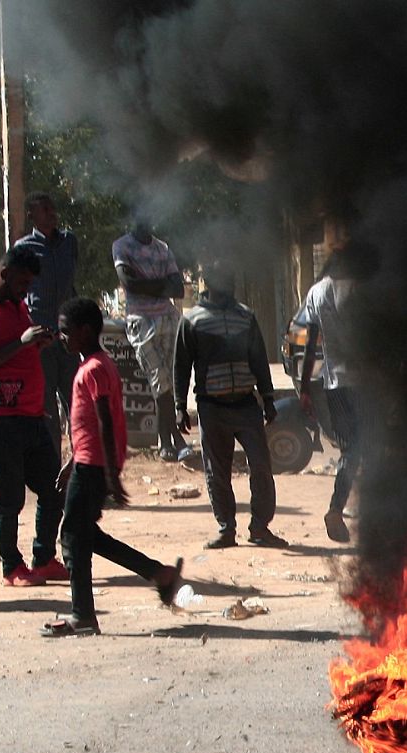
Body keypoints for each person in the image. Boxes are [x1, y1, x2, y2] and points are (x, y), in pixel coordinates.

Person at [41, 298, 183, 637]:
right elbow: (89, 424)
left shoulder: (93, 368)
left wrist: (109, 475)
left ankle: (83, 615)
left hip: (95, 465)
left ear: (85, 331)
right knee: (88, 536)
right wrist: (72, 462)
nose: (62, 337)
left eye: (66, 331)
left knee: (72, 537)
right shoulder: (95, 364)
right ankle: (159, 574)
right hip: (88, 462)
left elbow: (105, 422)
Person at [0, 246, 66, 587]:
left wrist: (37, 343)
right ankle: (11, 567)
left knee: (54, 489)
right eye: (22, 281)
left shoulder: (19, 307)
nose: (27, 289)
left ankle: (43, 557)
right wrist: (22, 343)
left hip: (31, 416)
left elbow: (18, 349)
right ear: (4, 274)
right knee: (9, 497)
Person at [174, 262, 286, 549]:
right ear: (210, 283)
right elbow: (181, 366)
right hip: (211, 407)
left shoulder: (246, 317)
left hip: (247, 405)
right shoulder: (192, 320)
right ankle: (226, 529)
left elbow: (259, 360)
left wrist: (268, 398)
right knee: (217, 471)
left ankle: (260, 527)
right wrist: (179, 405)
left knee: (261, 466)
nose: (231, 284)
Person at [298, 243, 377, 543]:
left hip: (334, 384)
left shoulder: (316, 292)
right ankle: (360, 513)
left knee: (351, 449)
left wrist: (306, 387)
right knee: (367, 448)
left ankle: (341, 509)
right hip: (365, 382)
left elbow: (309, 345)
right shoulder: (360, 290)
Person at [113, 219, 189, 460]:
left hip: (168, 319)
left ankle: (168, 438)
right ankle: (171, 438)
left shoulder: (162, 248)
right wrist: (161, 285)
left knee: (171, 378)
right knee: (159, 380)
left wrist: (145, 285)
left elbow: (178, 289)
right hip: (141, 321)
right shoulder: (122, 246)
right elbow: (129, 283)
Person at [13, 191, 80, 453]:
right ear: (32, 215)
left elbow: (71, 282)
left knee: (77, 402)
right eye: (45, 210)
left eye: (53, 209)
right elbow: (17, 291)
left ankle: (82, 463)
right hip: (39, 336)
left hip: (67, 335)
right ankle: (52, 469)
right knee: (46, 405)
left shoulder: (68, 242)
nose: (52, 214)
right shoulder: (23, 248)